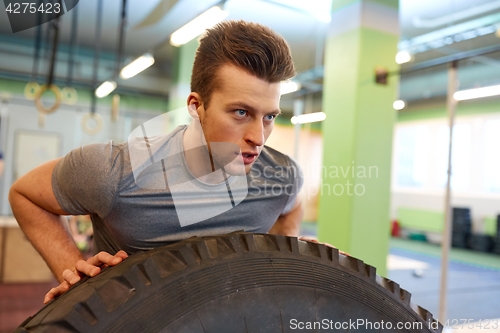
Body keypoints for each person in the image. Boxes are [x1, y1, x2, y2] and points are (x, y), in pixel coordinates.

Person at [9, 20, 305, 304]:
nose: (258, 137)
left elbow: (291, 206)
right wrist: (72, 270)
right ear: (196, 106)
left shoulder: (282, 175)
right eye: (241, 112)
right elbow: (25, 195)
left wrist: (286, 249)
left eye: (269, 117)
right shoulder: (114, 171)